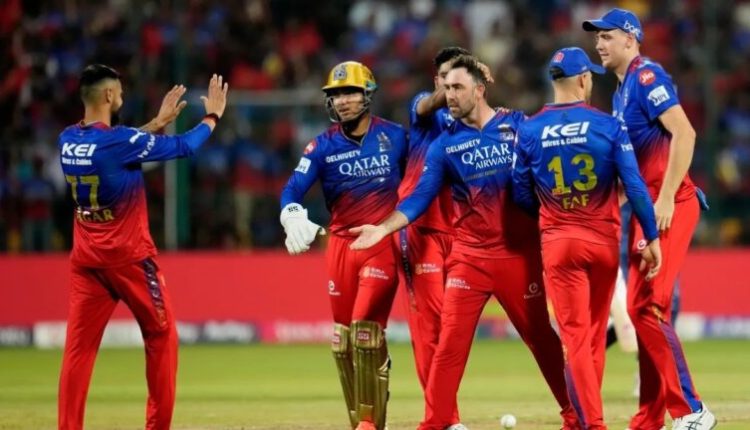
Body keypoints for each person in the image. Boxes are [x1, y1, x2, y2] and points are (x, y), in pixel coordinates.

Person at [350, 55, 579, 430]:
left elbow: (552, 169)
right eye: (446, 88)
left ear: (479, 90)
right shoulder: (444, 146)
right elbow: (420, 196)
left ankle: (574, 415)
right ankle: (435, 422)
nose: (450, 95)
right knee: (450, 345)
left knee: (541, 338)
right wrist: (383, 228)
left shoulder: (517, 126)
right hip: (469, 259)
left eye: (457, 87)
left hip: (518, 257)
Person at [57, 65, 228, 430]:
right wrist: (212, 117)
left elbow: (117, 147)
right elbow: (184, 146)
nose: (122, 97)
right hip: (129, 258)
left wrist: (155, 123)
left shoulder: (67, 139)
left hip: (87, 260)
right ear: (108, 95)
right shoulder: (120, 142)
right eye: (119, 92)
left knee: (78, 350)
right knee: (162, 336)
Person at [512, 46, 661, 430]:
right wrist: (651, 235)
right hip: (603, 243)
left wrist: (549, 213)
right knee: (593, 336)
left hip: (559, 243)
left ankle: (589, 423)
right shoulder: (608, 125)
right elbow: (635, 186)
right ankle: (585, 422)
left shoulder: (529, 129)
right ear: (582, 79)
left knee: (576, 337)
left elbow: (520, 193)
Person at [583, 9, 716, 430]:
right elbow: (635, 168)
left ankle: (692, 411)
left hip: (668, 205)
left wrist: (666, 198)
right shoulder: (622, 92)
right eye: (596, 37)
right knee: (644, 309)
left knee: (648, 307)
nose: (599, 44)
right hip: (647, 209)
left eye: (606, 36)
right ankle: (650, 417)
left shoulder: (646, 76)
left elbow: (685, 133)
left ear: (630, 38)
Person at [279, 61, 407, 430]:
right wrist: (291, 213)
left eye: (350, 92)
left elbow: (423, 180)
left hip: (380, 241)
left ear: (368, 95)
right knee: (344, 341)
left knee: (363, 328)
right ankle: (365, 418)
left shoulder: (397, 137)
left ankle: (368, 423)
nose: (343, 101)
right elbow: (292, 189)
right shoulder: (321, 146)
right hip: (340, 248)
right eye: (336, 95)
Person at [399, 46, 494, 430]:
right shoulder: (423, 107)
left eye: (458, 82)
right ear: (436, 80)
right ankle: (443, 419)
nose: (450, 90)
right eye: (445, 80)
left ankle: (441, 415)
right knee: (430, 327)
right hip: (420, 229)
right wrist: (456, 85)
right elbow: (430, 103)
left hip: (459, 232)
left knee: (452, 329)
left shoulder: (471, 123)